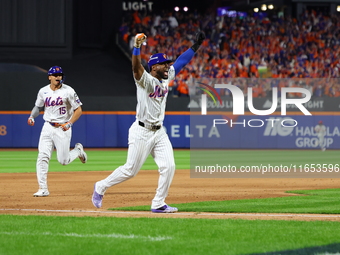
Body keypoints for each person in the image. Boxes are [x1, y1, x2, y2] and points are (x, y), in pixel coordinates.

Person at [92, 31, 205, 213]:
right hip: (141, 131)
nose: (167, 66)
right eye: (163, 64)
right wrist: (137, 47)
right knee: (130, 170)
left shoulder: (166, 78)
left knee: (169, 166)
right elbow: (136, 68)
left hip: (159, 132)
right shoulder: (145, 80)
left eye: (167, 64)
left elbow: (181, 62)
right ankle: (101, 186)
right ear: (153, 68)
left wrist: (195, 46)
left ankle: (158, 203)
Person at [28, 66, 87, 197]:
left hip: (62, 128)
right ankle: (43, 188)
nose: (58, 77)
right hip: (47, 126)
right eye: (55, 75)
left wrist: (69, 123)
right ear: (49, 77)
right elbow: (38, 107)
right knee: (42, 157)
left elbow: (79, 110)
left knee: (63, 161)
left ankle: (78, 151)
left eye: (60, 75)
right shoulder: (43, 91)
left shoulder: (69, 91)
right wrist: (32, 116)